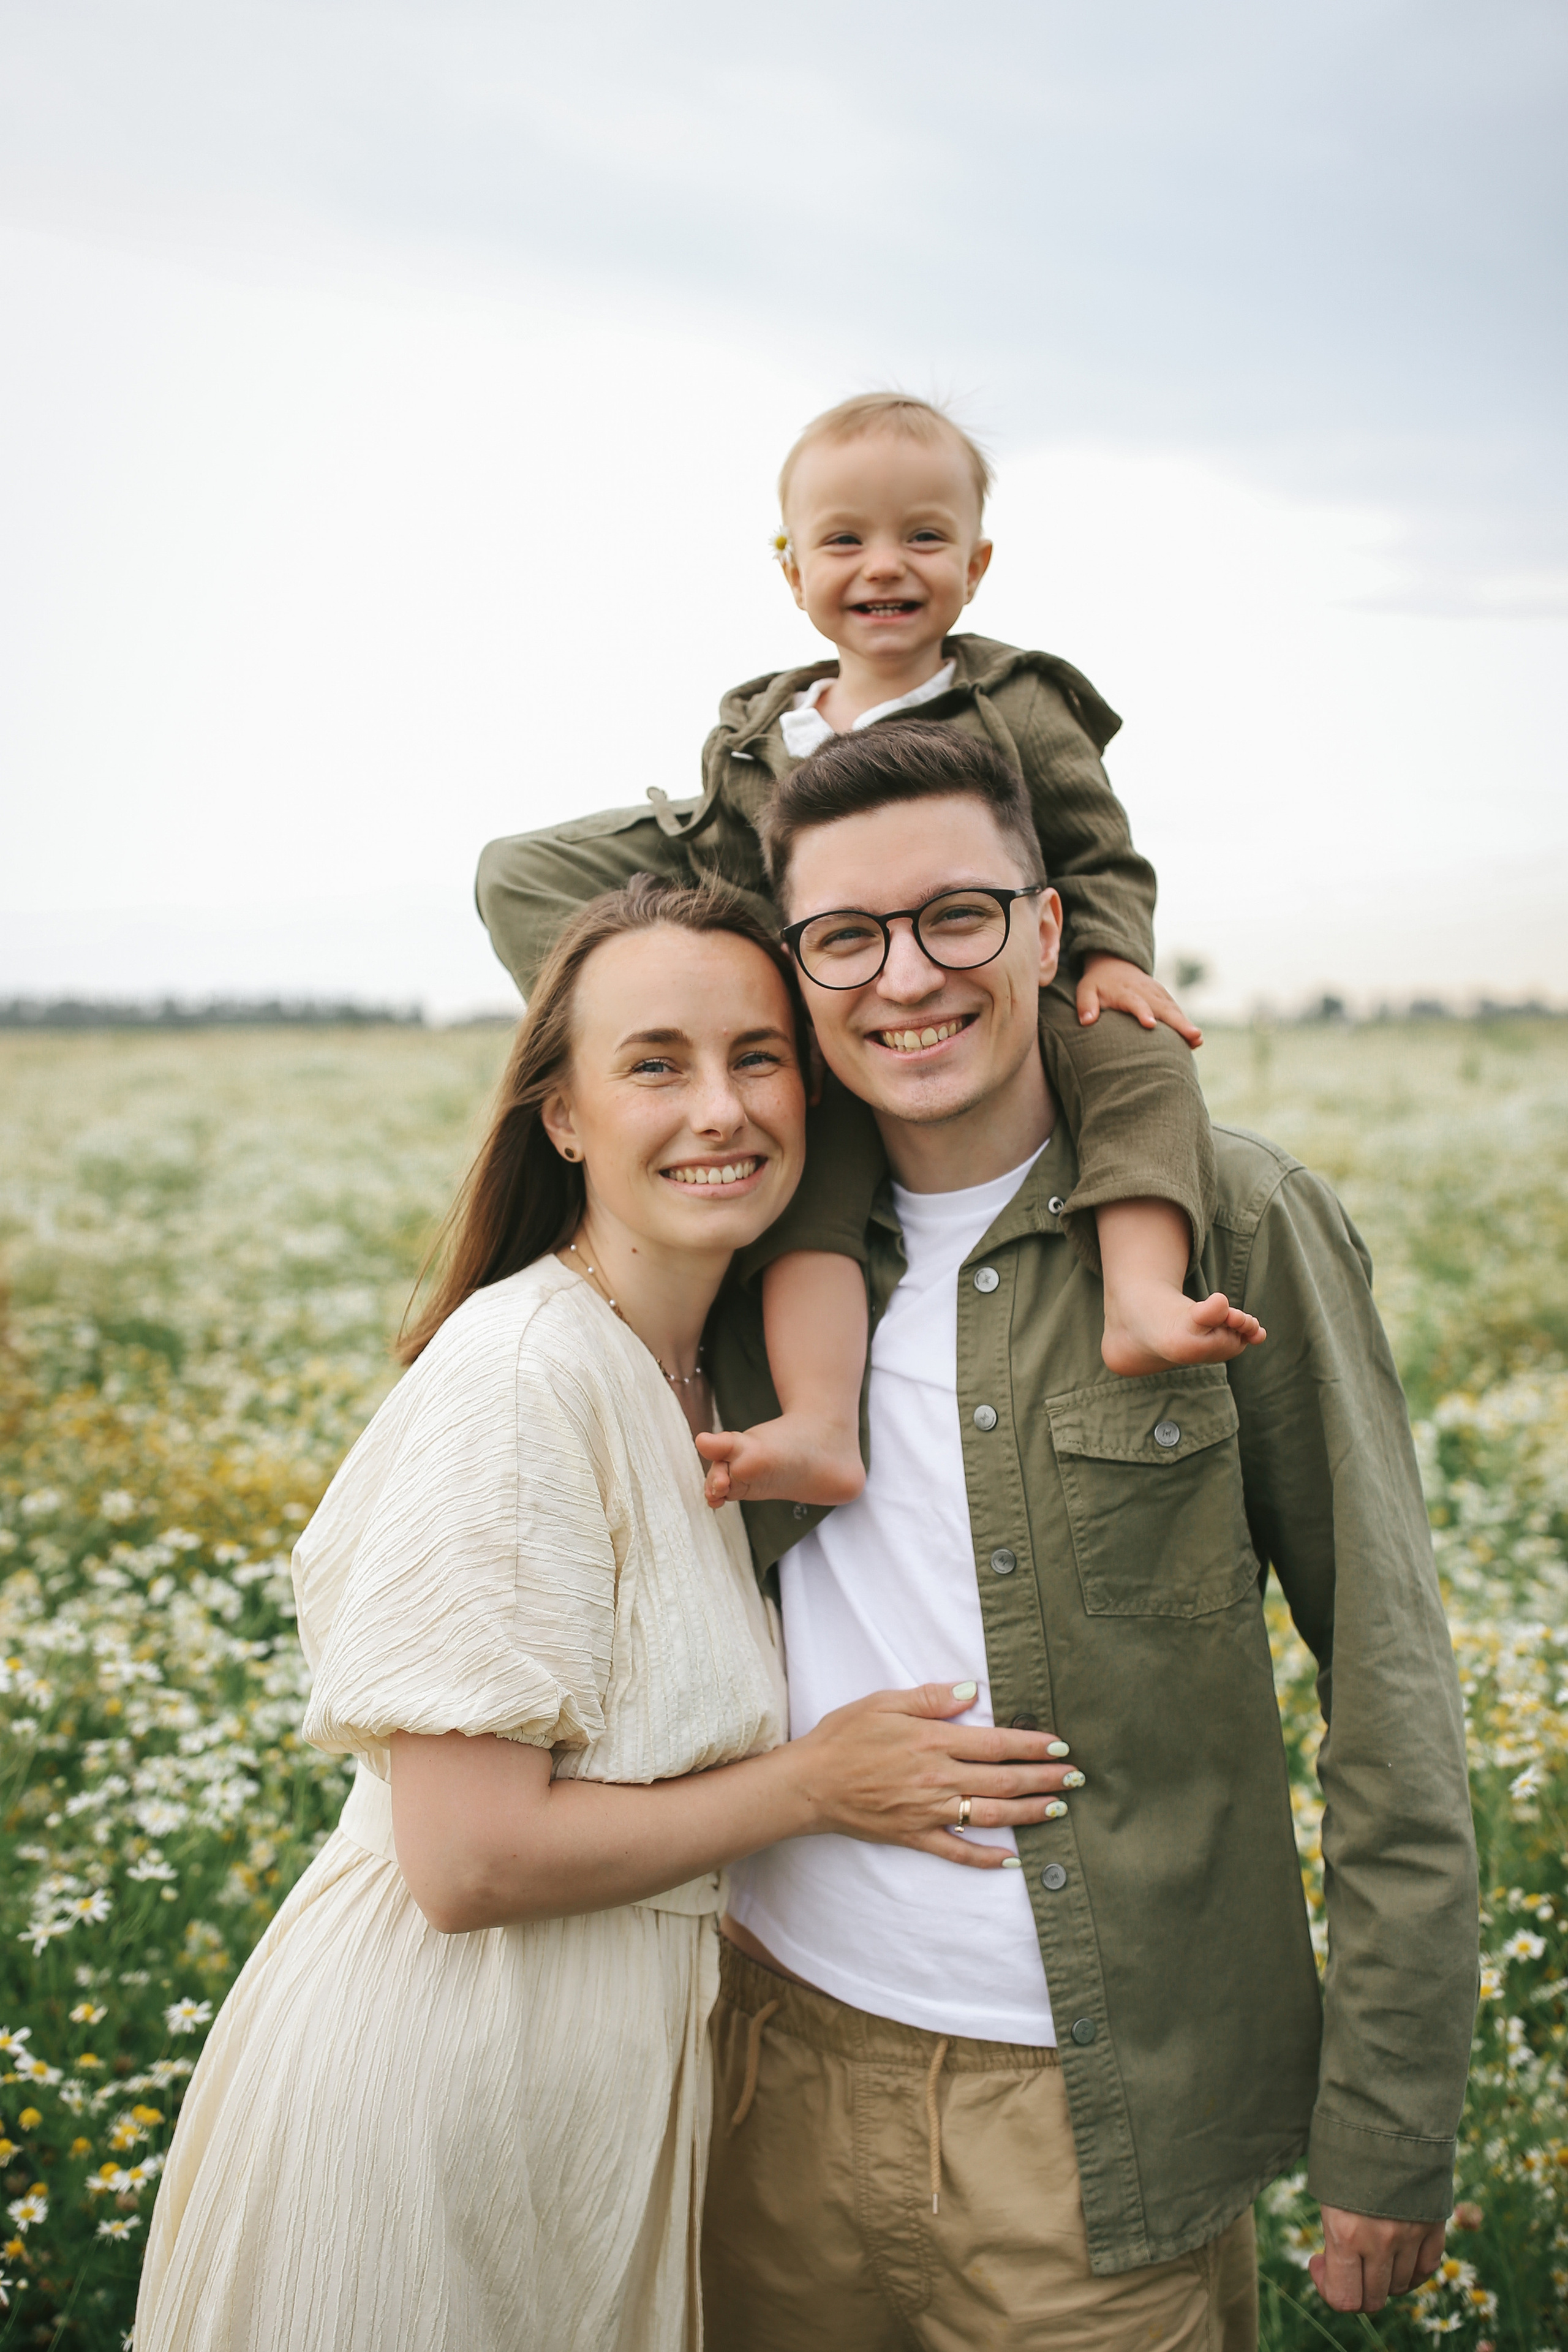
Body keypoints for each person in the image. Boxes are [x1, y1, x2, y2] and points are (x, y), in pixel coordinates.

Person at [133, 875, 1074, 2352]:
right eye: (654, 1064)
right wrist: (815, 1786)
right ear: (562, 1116)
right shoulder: (525, 1376)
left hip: (586, 2108)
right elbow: (466, 1859)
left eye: (757, 1056)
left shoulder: (735, 1379)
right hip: (434, 2101)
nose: (720, 1110)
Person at [698, 723, 1479, 2351]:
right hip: (760, 2070)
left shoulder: (1235, 1219)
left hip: (1091, 2123)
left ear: (1051, 929)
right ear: (793, 965)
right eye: (845, 936)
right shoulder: (744, 1236)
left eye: (957, 916)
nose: (905, 976)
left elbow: (1388, 1680)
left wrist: (1390, 2116)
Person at [476, 390, 1261, 1516]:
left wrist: (1109, 956)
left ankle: (1139, 1295)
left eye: (923, 537)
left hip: (1014, 1007)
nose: (884, 565)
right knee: (812, 1209)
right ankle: (820, 1425)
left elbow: (1098, 850)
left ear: (976, 566)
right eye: (845, 541)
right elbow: (713, 885)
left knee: (1141, 1058)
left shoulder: (1017, 705)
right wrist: (737, 1013)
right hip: (841, 1022)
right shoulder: (756, 738)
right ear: (792, 571)